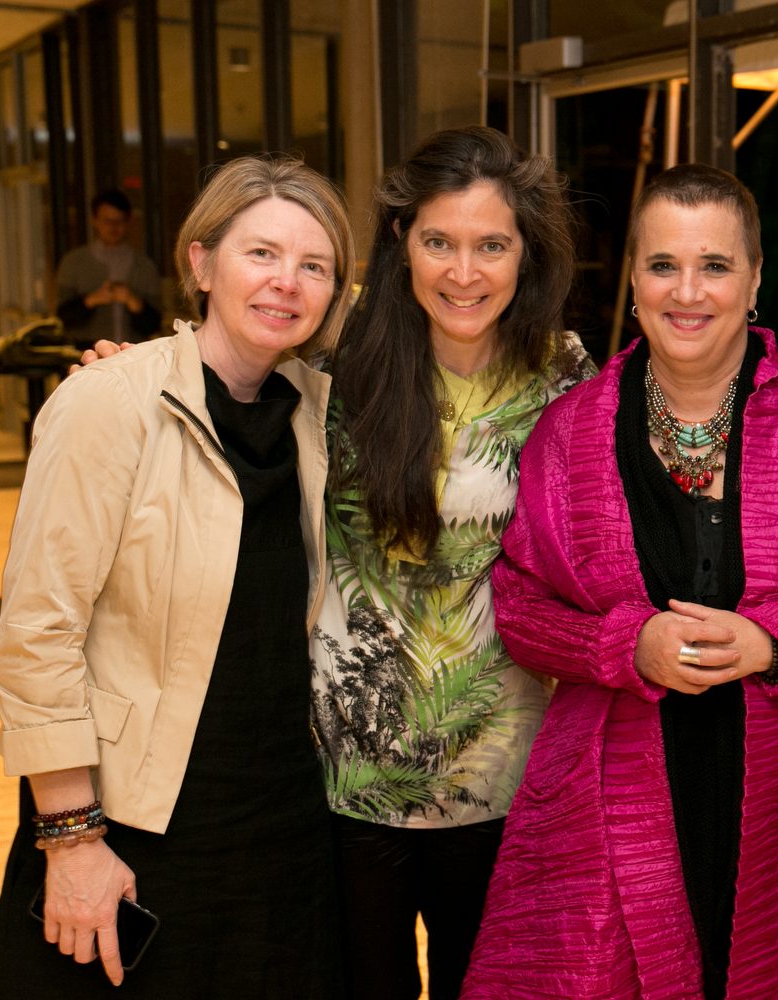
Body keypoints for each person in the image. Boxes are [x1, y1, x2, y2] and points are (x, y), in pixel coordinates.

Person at [461, 164, 778, 999]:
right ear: (635, 279)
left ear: (755, 279)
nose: (688, 292)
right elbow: (519, 606)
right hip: (612, 801)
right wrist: (624, 644)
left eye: (715, 266)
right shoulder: (569, 431)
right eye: (663, 265)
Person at [0, 155, 356, 995]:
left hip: (284, 816)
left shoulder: (320, 414)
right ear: (200, 262)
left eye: (314, 265)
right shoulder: (110, 404)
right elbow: (37, 636)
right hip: (137, 817)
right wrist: (71, 839)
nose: (285, 283)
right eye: (261, 253)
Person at [309, 126, 596, 1000]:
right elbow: (215, 373)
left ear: (526, 252)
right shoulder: (331, 364)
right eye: (439, 241)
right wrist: (127, 369)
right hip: (347, 768)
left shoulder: (565, 378)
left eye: (491, 246)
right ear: (402, 242)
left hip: (498, 765)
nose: (463, 273)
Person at [55, 190, 162, 347]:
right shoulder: (73, 262)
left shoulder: (144, 266)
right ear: (94, 220)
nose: (113, 227)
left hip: (132, 353)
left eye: (119, 221)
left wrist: (133, 301)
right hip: (85, 353)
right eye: (107, 221)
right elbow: (62, 317)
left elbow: (155, 324)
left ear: (128, 222)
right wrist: (91, 300)